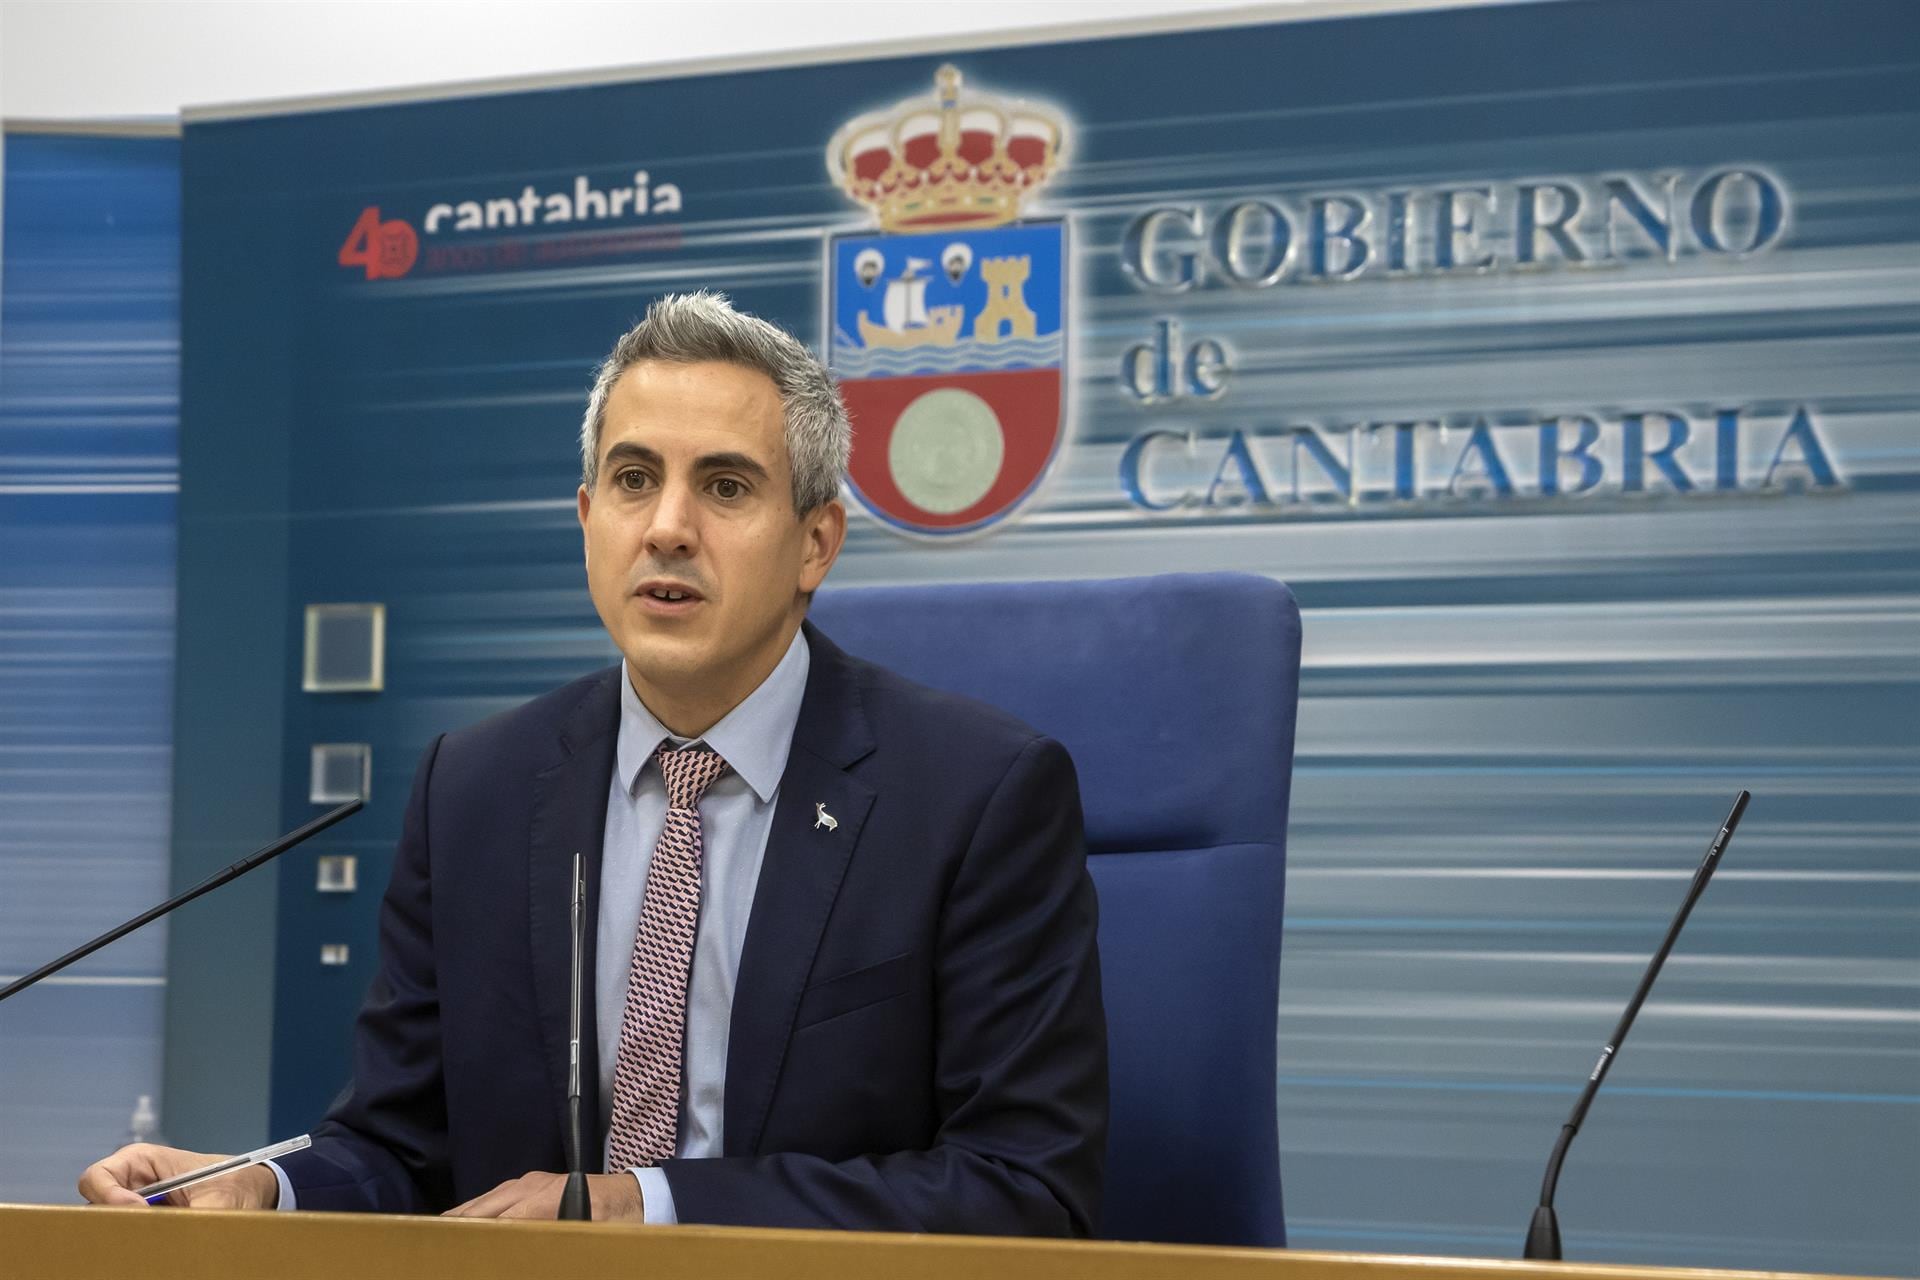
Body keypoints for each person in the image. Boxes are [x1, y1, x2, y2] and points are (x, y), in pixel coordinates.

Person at [79, 292, 1108, 1235]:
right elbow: (404, 1144)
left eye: (725, 485)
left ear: (815, 543)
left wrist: (646, 1205)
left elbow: (1024, 1185)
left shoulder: (974, 795)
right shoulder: (476, 787)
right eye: (633, 479)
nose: (667, 527)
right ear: (587, 521)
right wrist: (266, 1183)